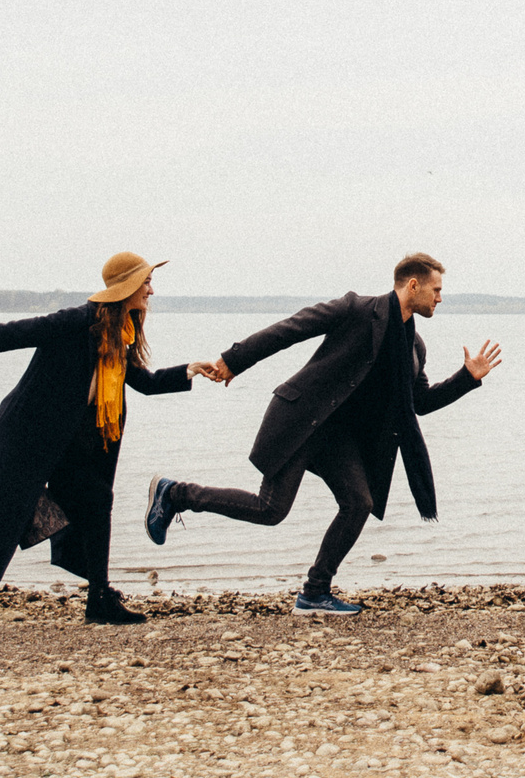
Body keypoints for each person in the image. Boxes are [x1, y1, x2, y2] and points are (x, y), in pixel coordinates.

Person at [143, 251, 502, 617]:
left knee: (359, 503)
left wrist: (466, 378)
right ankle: (175, 494)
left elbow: (419, 403)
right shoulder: (357, 310)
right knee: (271, 510)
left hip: (336, 438)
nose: (440, 298)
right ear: (413, 285)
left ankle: (315, 592)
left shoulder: (413, 346)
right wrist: (234, 361)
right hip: (302, 420)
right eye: (436, 290)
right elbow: (290, 329)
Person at [0, 251, 198, 630]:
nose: (150, 291)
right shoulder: (77, 322)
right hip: (28, 435)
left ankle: (99, 598)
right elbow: (10, 333)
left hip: (69, 443)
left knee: (95, 500)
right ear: (125, 287)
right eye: (145, 283)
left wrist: (187, 372)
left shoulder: (118, 333)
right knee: (14, 521)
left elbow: (143, 382)